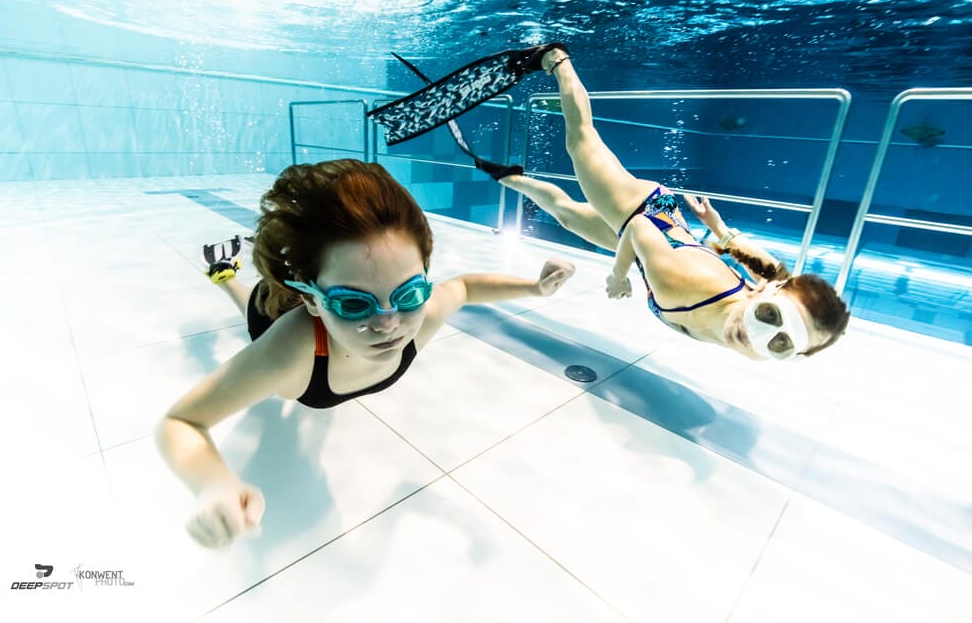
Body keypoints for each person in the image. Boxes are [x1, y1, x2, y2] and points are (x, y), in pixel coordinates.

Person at [156, 159, 575, 549]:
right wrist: (213, 484)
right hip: (281, 323)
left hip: (316, 318)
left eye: (408, 293)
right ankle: (225, 275)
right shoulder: (289, 349)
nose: (388, 324)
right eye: (354, 303)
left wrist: (535, 289)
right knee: (255, 312)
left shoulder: (424, 314)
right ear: (313, 300)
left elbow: (463, 287)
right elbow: (182, 421)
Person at [490, 45, 849, 361]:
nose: (757, 336)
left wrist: (721, 231)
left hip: (660, 234)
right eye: (770, 315)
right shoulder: (683, 281)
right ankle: (556, 59)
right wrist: (617, 276)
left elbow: (779, 276)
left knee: (568, 217)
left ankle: (509, 176)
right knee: (581, 139)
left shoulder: (763, 325)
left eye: (783, 343)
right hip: (642, 212)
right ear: (765, 294)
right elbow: (638, 228)